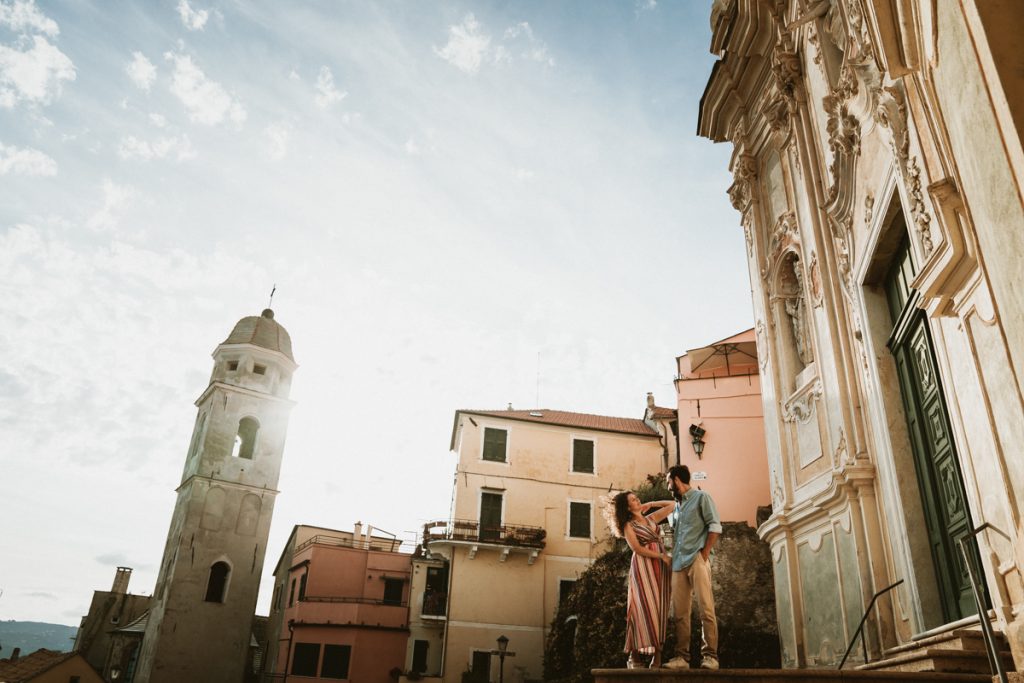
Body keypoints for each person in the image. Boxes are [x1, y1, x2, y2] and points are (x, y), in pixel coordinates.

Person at [605, 490, 675, 668]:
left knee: (659, 607)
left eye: (637, 498)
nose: (638, 500)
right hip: (644, 566)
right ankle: (634, 655)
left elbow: (673, 505)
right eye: (634, 500)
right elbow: (637, 548)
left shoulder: (651, 519)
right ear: (628, 507)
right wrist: (661, 557)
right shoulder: (628, 525)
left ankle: (657, 656)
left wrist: (651, 504)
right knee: (641, 607)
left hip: (660, 567)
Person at [663, 464, 722, 670]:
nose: (668, 486)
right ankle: (682, 658)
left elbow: (715, 526)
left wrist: (703, 554)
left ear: (677, 480)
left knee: (706, 609)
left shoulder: (702, 497)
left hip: (697, 559)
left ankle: (710, 657)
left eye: (669, 482)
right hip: (678, 564)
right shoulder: (678, 506)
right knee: (680, 613)